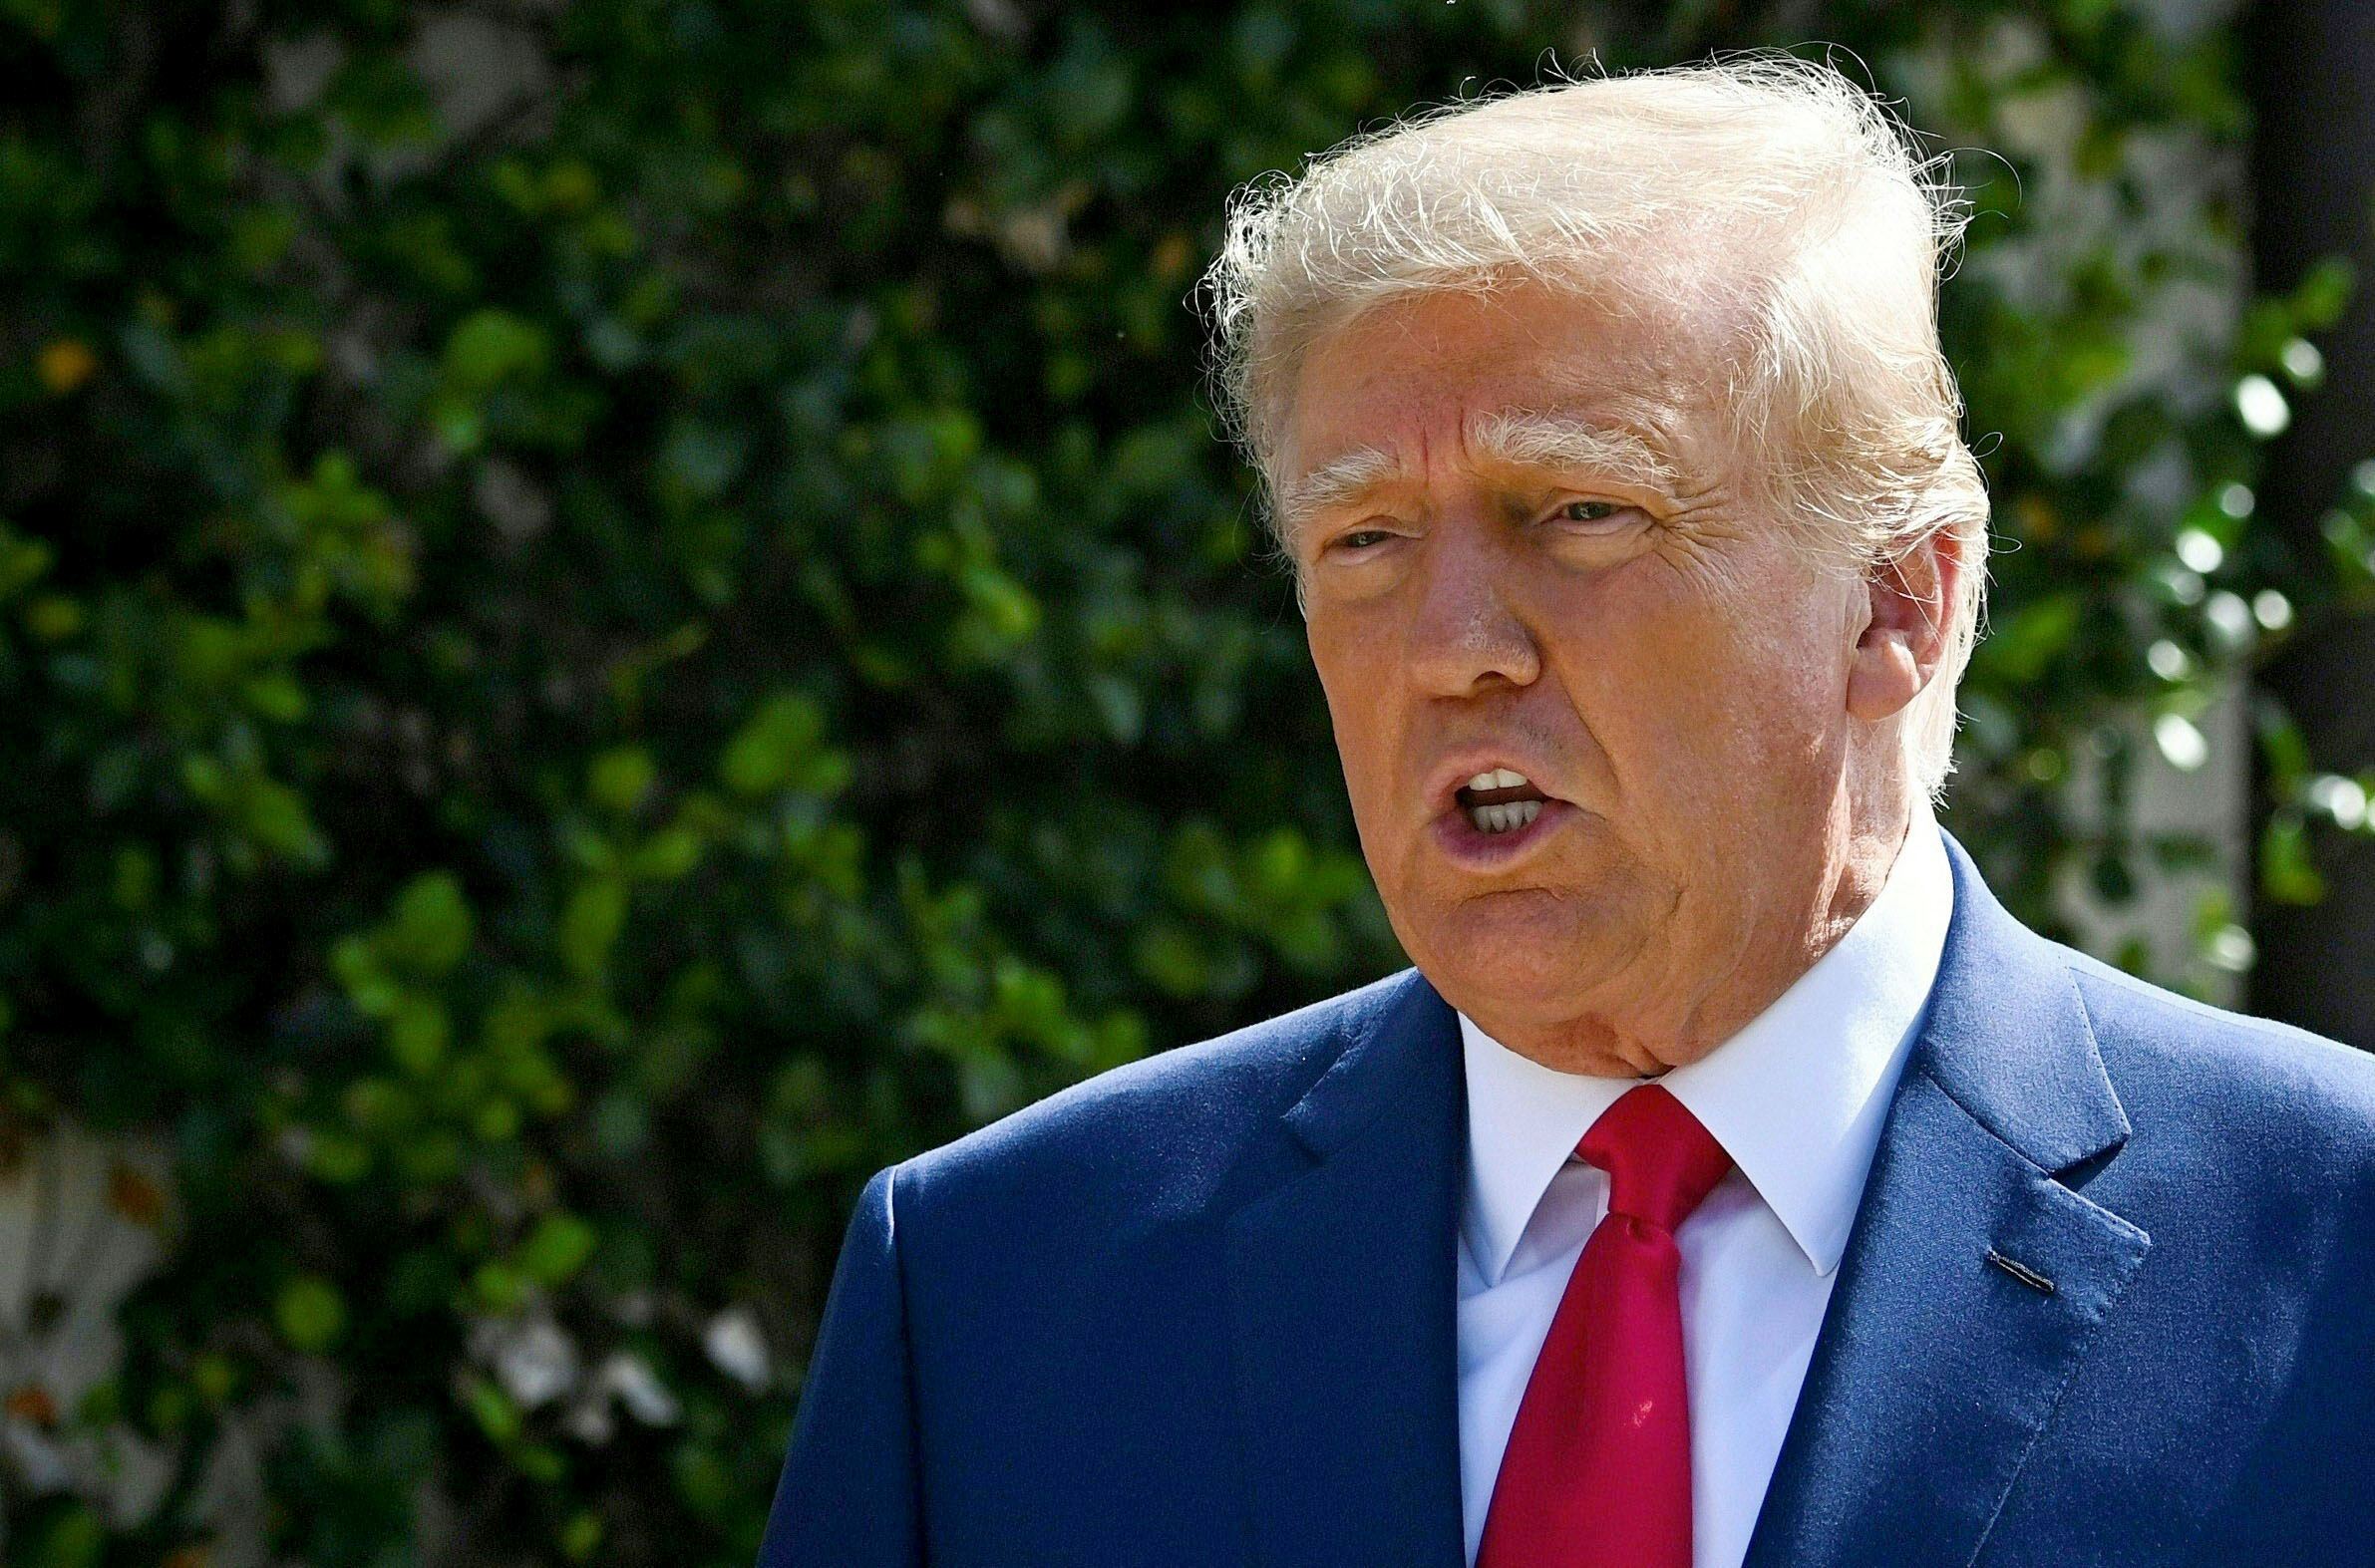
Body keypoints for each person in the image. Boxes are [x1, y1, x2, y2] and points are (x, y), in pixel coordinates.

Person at [758, 60, 2375, 1568]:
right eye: (1367, 539)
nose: (1457, 645)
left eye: (1580, 511)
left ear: (1898, 600)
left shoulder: (2334, 1253)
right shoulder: (993, 1290)